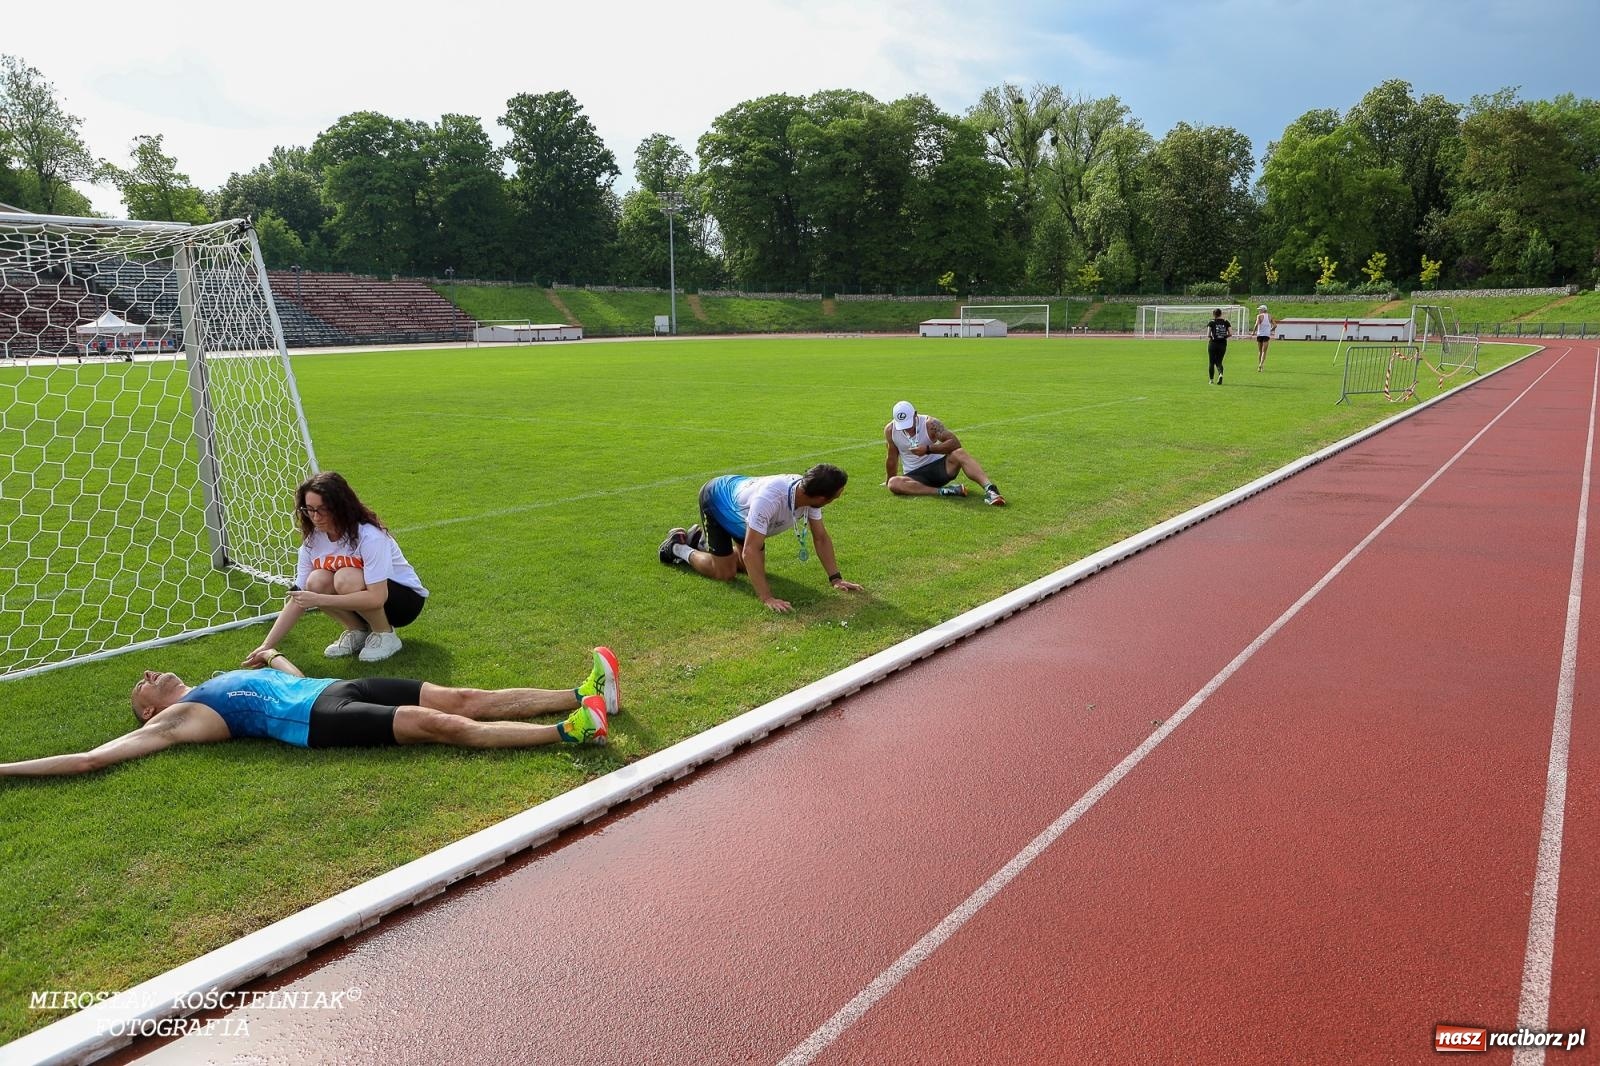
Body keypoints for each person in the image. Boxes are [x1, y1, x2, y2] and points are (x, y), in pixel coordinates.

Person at [0, 647, 621, 778]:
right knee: (444, 726)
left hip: (335, 685)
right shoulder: (178, 719)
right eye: (143, 690)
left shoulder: (218, 676)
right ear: (148, 715)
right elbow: (88, 760)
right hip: (319, 724)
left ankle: (583, 693)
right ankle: (567, 733)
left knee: (463, 698)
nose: (147, 677)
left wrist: (275, 658)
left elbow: (285, 680)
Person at [248, 472, 428, 666]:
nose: (315, 517)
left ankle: (385, 635)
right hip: (362, 600)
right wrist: (266, 646)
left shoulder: (369, 536)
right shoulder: (312, 541)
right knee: (315, 581)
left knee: (345, 577)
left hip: (403, 602)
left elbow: (377, 598)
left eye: (322, 509)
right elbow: (298, 598)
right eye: (309, 509)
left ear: (341, 507)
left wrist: (318, 599)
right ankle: (358, 631)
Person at [658, 462, 863, 613]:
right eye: (836, 495)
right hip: (718, 501)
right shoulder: (769, 500)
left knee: (749, 568)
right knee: (726, 573)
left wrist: (836, 579)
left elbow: (821, 538)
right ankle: (677, 547)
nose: (838, 498)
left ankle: (699, 540)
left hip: (742, 513)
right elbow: (750, 550)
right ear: (821, 498)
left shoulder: (808, 496)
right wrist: (767, 598)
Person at [883, 401, 1004, 505]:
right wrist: (889, 479)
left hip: (939, 469)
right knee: (893, 483)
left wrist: (927, 449)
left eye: (909, 424)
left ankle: (990, 489)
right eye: (903, 425)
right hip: (914, 477)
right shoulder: (890, 430)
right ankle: (945, 491)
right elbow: (892, 457)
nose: (908, 429)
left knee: (959, 453)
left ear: (915, 414)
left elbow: (955, 443)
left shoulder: (930, 424)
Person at [1207, 308, 1231, 385]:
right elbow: (1230, 333)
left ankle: (1211, 380)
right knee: (1219, 361)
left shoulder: (1212, 322)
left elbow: (1208, 334)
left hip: (1213, 344)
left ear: (1214, 315)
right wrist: (1224, 337)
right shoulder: (1226, 322)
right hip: (1222, 344)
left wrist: (1212, 338)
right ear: (1221, 314)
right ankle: (1220, 374)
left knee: (1211, 362)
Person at [1253, 304, 1274, 371]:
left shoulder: (1259, 316)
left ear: (1263, 309)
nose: (1259, 311)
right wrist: (1270, 330)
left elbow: (1256, 324)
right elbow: (1275, 325)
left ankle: (1260, 366)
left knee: (1260, 351)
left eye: (1260, 309)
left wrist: (1253, 332)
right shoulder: (1270, 316)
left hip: (1259, 335)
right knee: (1264, 351)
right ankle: (1261, 365)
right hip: (1266, 335)